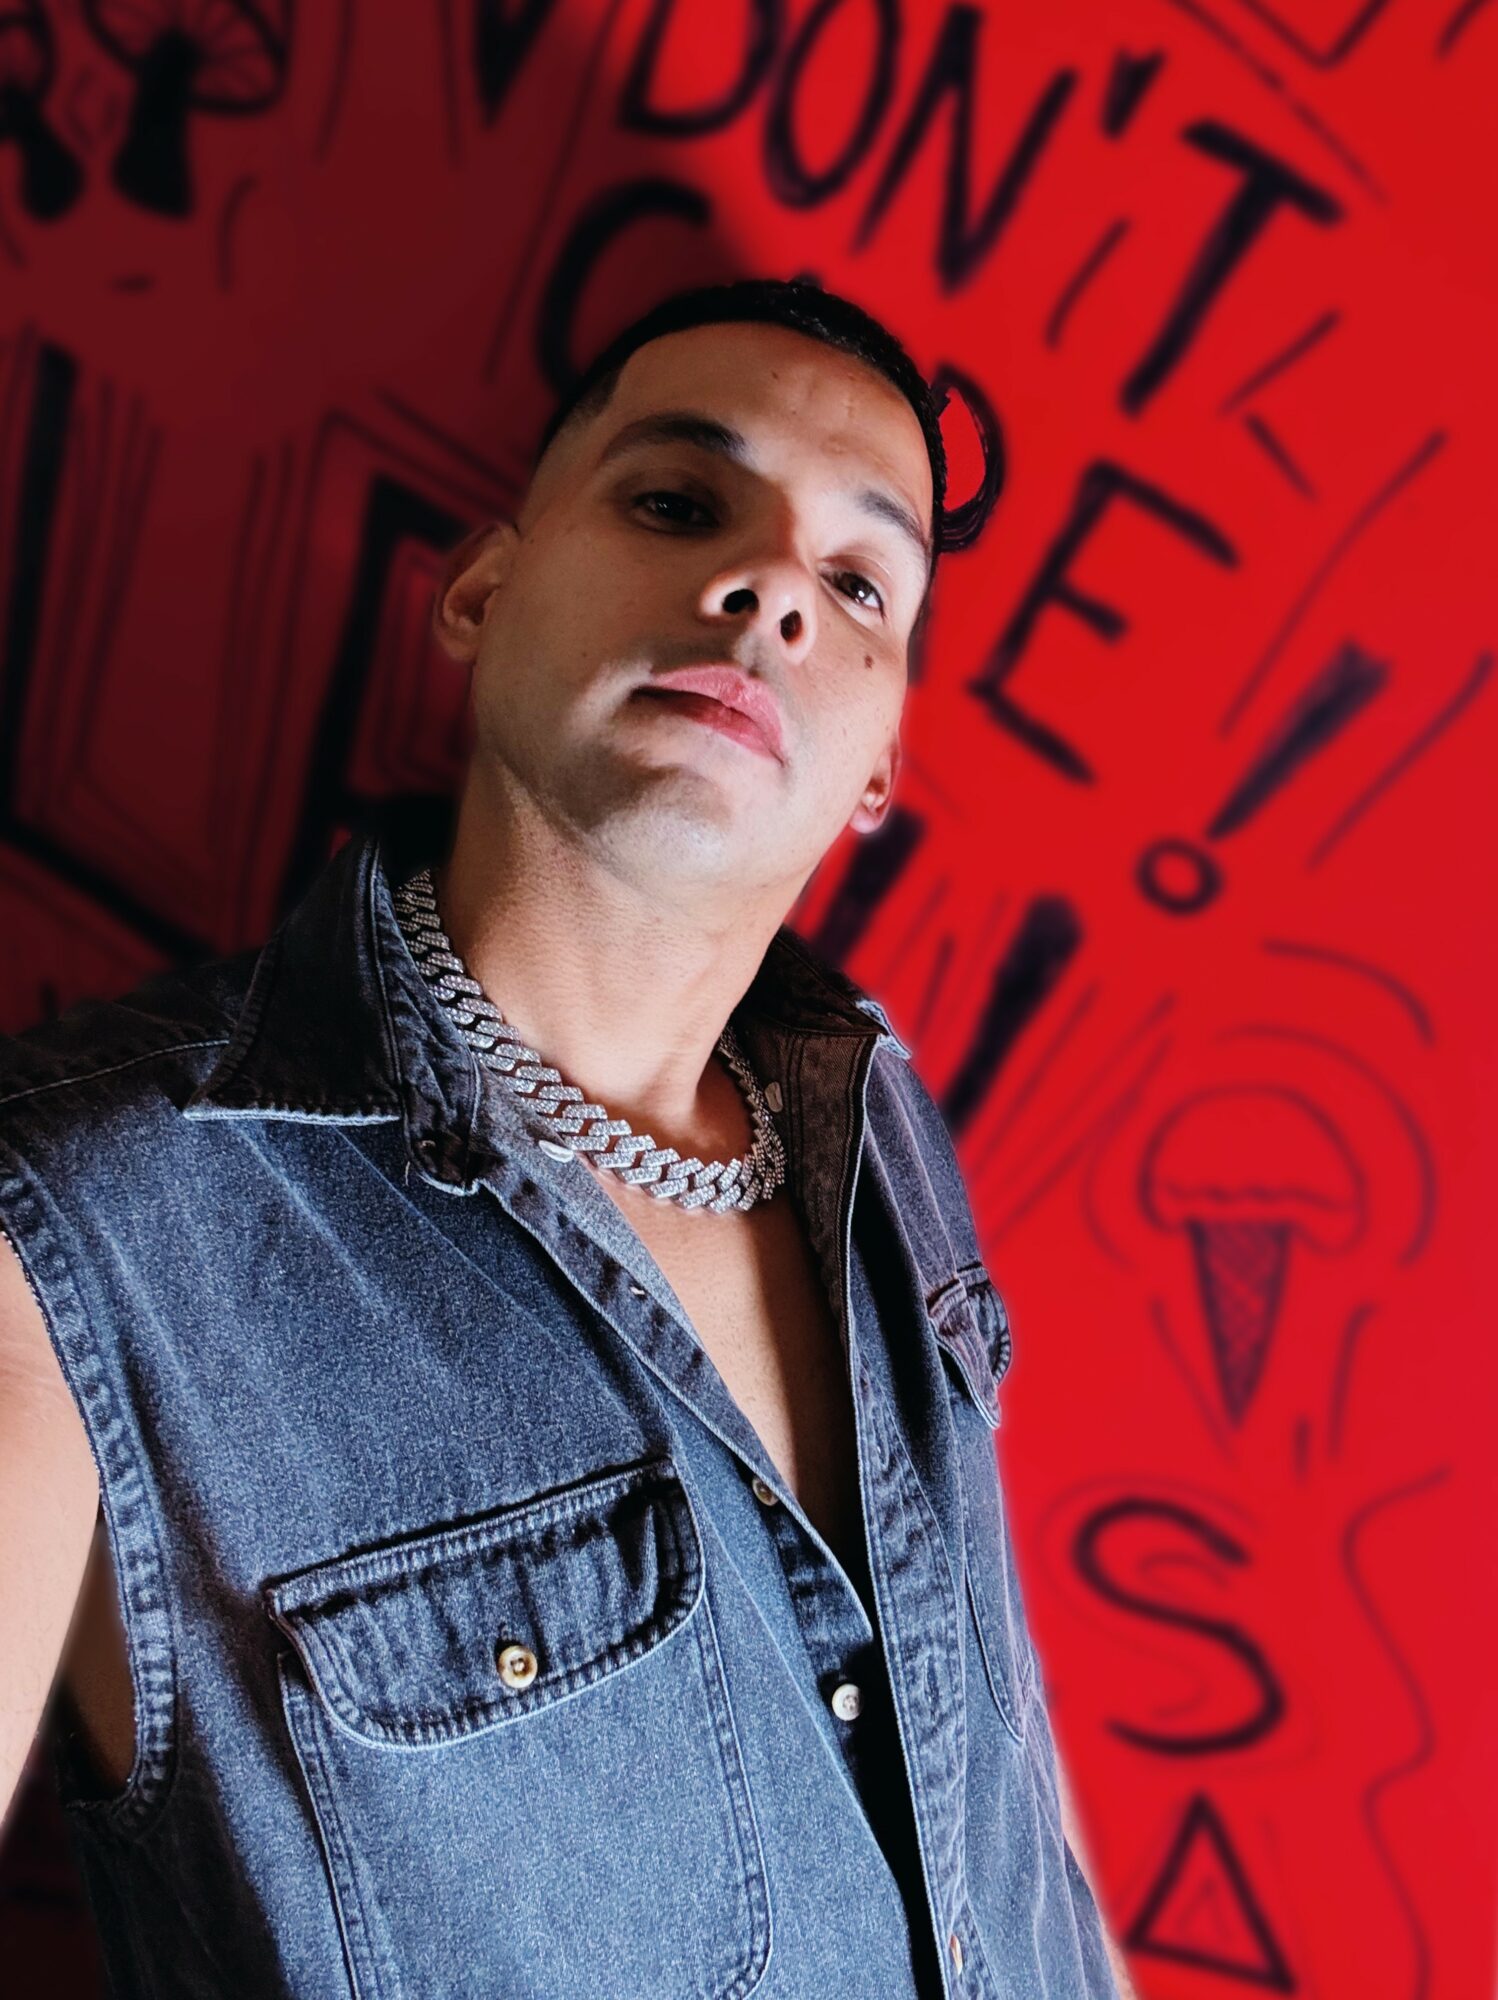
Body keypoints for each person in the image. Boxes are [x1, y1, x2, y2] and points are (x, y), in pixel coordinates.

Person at [0, 275, 1134, 1997]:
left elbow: (1003, 1812)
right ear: (482, 590)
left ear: (880, 765)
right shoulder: (84, 1236)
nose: (771, 592)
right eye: (677, 502)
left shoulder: (879, 1126)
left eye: (857, 584)